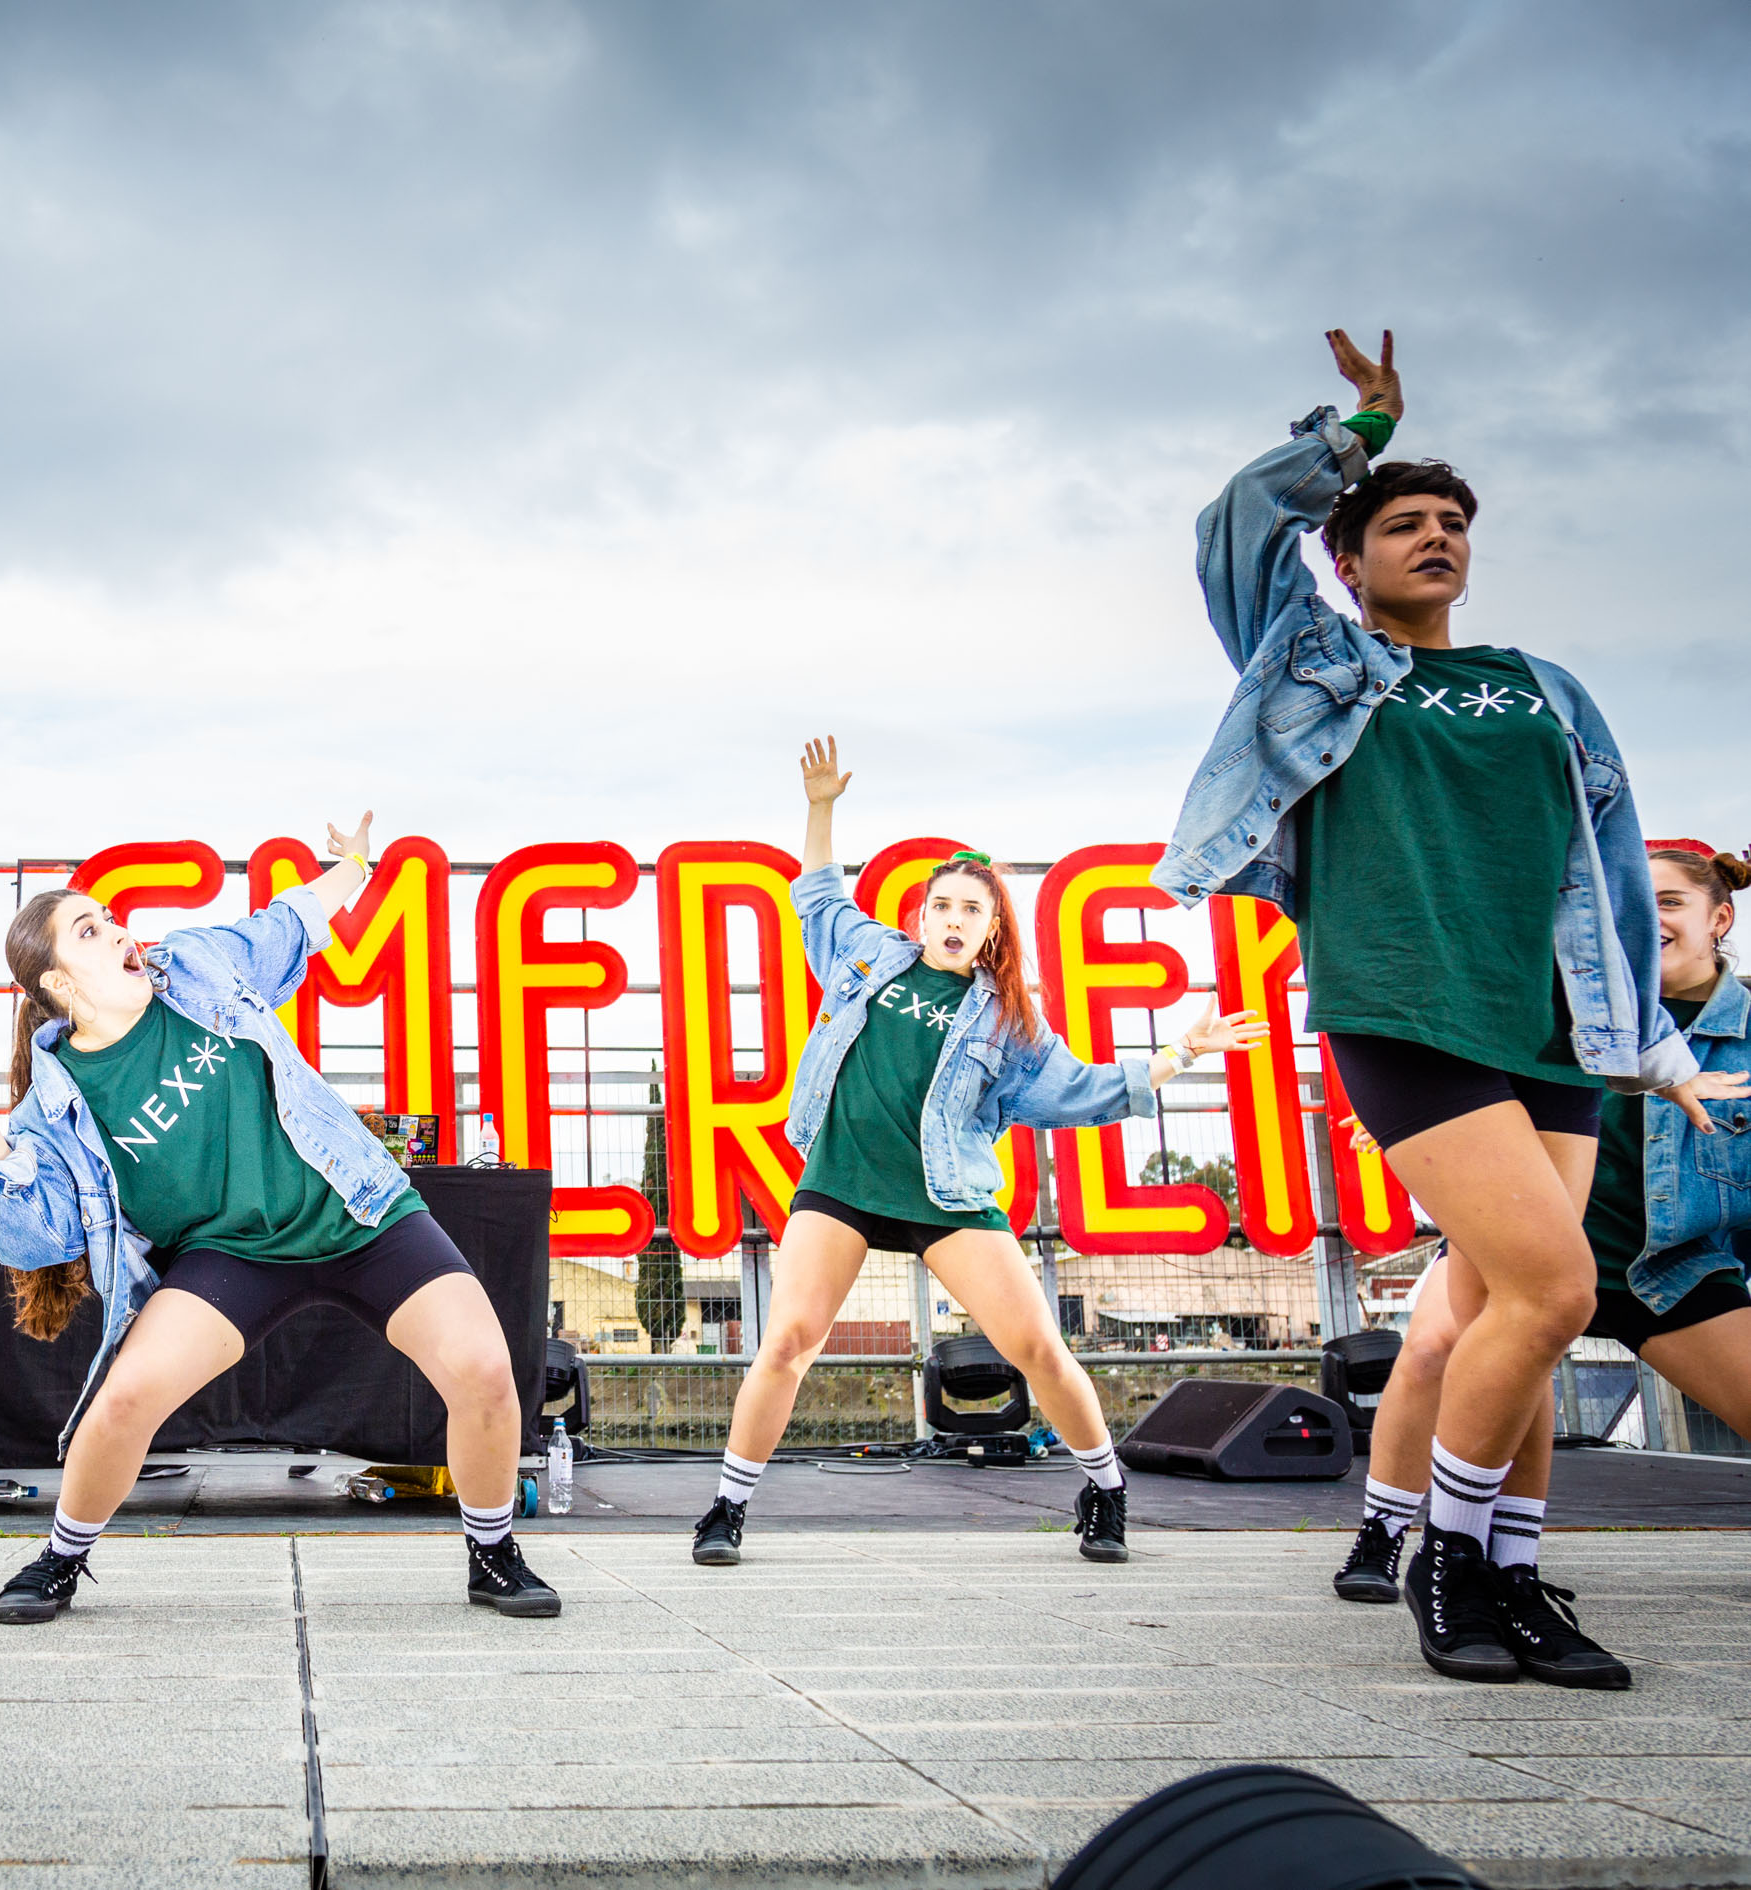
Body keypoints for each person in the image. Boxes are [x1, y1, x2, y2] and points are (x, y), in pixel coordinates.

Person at [1154, 332, 1744, 1684]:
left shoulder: (1541, 688)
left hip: (1545, 1022)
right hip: (1401, 1001)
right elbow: (1234, 523)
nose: (1434, 537)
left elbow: (1605, 865)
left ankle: (1516, 1579)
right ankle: (1449, 1559)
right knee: (1556, 1283)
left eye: (1451, 523)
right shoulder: (1314, 656)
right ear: (1348, 558)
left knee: (1509, 1313)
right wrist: (1358, 428)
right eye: (1402, 523)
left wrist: (1648, 1051)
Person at [0, 816, 560, 1623]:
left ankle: (491, 1552)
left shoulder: (197, 967)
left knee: (487, 1374)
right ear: (60, 987)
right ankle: (60, 1559)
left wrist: (350, 862)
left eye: (108, 917)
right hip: (232, 1253)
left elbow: (289, 923)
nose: (117, 931)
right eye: (89, 930)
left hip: (356, 1210)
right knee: (124, 1399)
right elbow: (40, 1240)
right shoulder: (55, 1105)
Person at [693, 742, 1267, 1570]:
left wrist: (1177, 1050)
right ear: (921, 917)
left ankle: (1103, 1487)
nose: (956, 920)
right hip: (842, 1185)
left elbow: (1083, 1090)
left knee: (1036, 1348)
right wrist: (821, 806)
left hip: (948, 1196)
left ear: (992, 928)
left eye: (973, 910)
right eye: (945, 906)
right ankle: (726, 1508)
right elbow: (816, 892)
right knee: (785, 1341)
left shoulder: (1009, 1024)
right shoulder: (866, 957)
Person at [1331, 844, 1751, 1688]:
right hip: (1528, 1243)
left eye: (1668, 901)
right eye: (1631, 904)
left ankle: (1486, 1566)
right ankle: (1394, 1536)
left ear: (1718, 919)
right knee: (1434, 1348)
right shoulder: (1565, 1012)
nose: (1648, 919)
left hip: (1666, 1267)